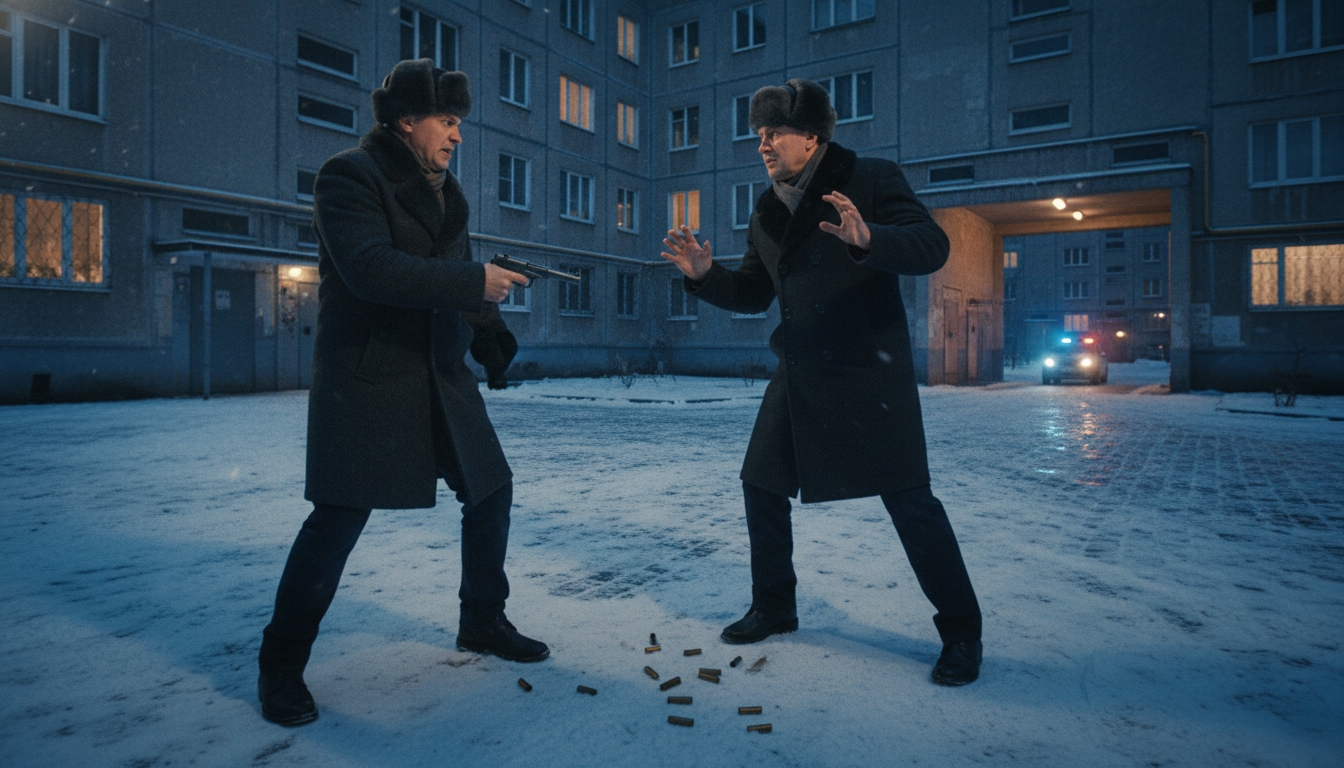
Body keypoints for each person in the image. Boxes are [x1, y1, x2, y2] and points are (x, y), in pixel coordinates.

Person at [660, 79, 983, 686]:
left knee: (910, 503)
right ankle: (774, 606)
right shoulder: (766, 209)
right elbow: (754, 294)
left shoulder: (871, 178)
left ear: (811, 136)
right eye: (758, 135)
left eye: (774, 133)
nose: (763, 145)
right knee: (761, 482)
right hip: (800, 370)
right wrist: (705, 276)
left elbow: (932, 246)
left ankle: (962, 633)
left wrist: (870, 238)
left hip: (868, 372)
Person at [256, 59, 544, 727]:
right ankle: (280, 666)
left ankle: (482, 620)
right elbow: (371, 269)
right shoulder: (349, 175)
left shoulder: (446, 191)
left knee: (491, 490)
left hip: (440, 374)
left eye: (459, 122)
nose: (458, 135)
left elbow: (458, 272)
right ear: (406, 121)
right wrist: (474, 282)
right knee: (338, 519)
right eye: (447, 121)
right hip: (371, 375)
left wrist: (490, 334)